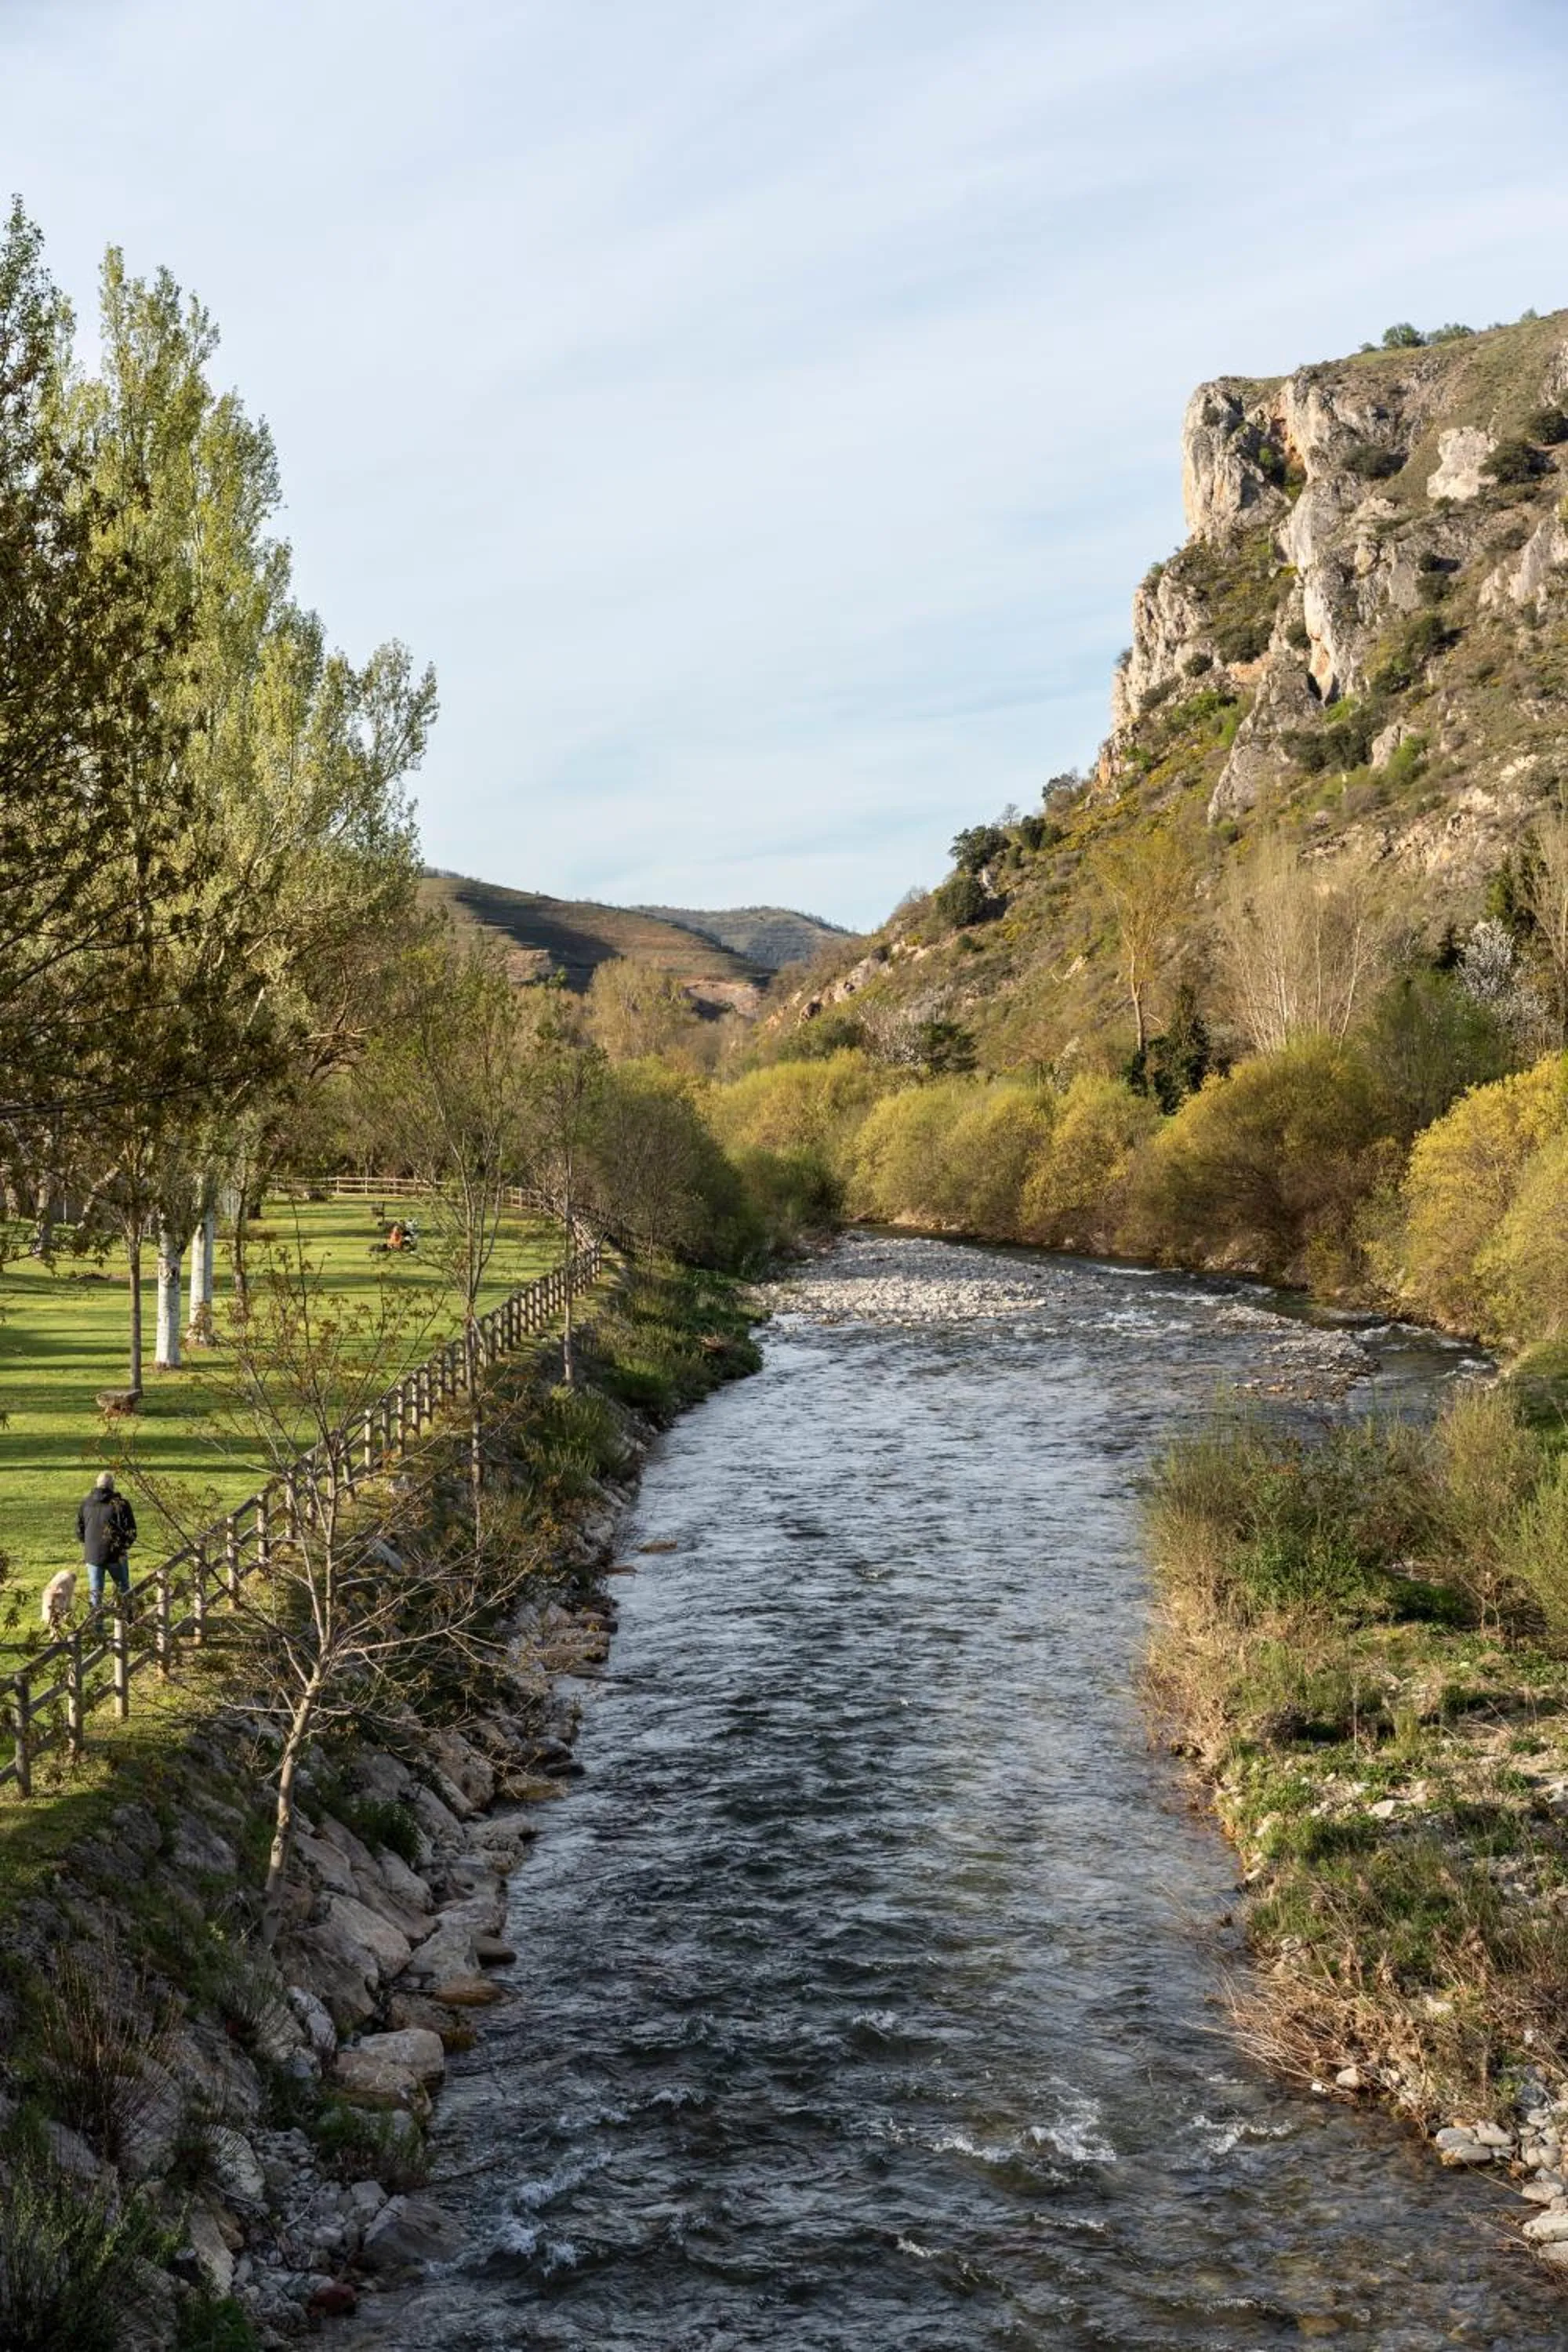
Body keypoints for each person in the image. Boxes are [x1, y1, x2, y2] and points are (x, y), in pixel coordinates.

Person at [76, 1469, 137, 1612]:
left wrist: (89, 1544)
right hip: (115, 1554)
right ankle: (127, 1623)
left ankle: (97, 1628)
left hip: (93, 1556)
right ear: (112, 1486)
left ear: (97, 1485)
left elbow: (79, 1529)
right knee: (124, 1589)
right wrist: (124, 1547)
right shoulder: (121, 1504)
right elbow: (132, 1530)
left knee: (96, 1593)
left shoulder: (86, 1503)